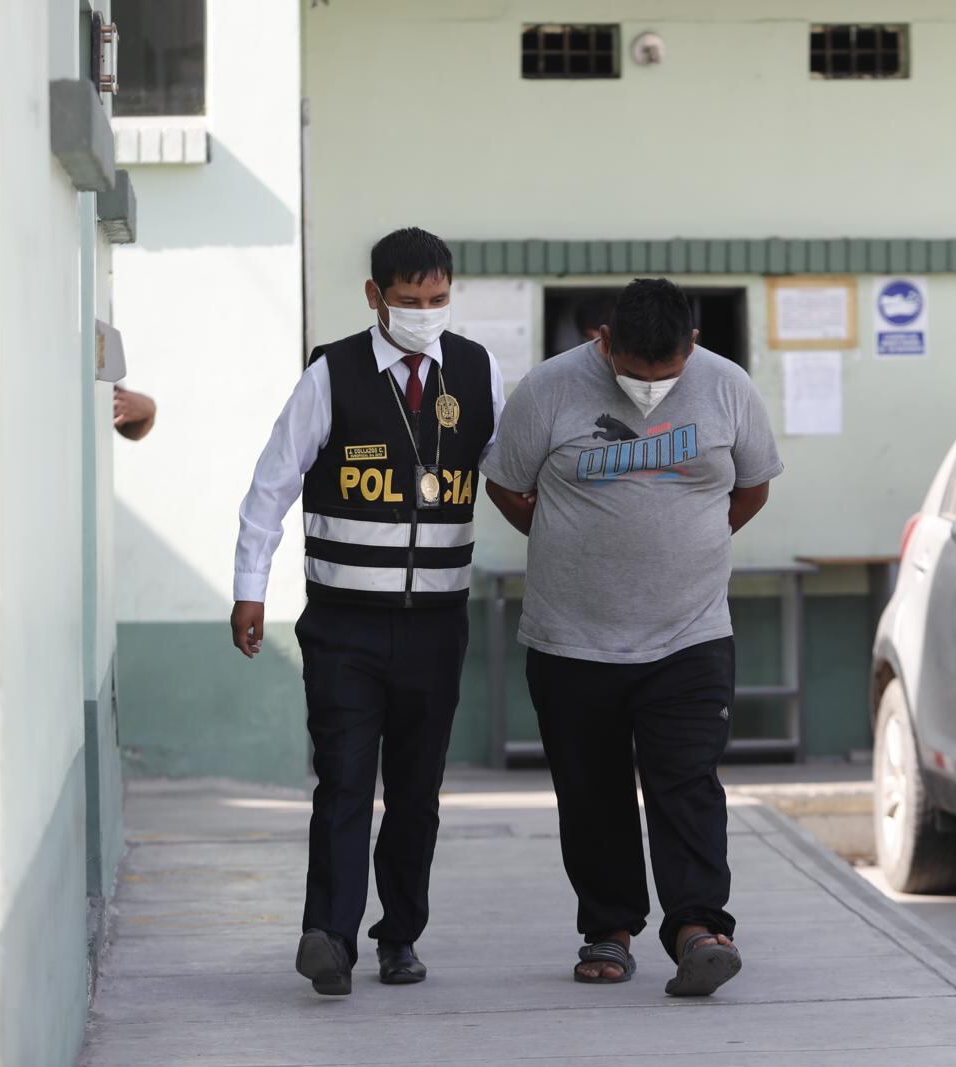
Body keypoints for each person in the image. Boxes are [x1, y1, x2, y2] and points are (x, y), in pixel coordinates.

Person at [481, 278, 782, 997]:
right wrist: (564, 543)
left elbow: (753, 484)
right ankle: (609, 931)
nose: (651, 387)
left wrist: (696, 545)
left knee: (687, 785)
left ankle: (698, 929)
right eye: (635, 372)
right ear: (603, 340)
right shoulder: (548, 390)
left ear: (693, 345)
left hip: (690, 633)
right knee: (593, 793)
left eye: (667, 371)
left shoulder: (727, 387)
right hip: (570, 636)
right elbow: (506, 483)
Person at [230, 227, 503, 996]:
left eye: (439, 299)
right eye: (410, 300)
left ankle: (399, 935)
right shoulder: (333, 374)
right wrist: (251, 585)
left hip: (435, 625)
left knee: (416, 790)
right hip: (345, 624)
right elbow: (272, 484)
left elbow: (511, 469)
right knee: (346, 780)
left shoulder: (476, 371)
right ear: (374, 296)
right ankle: (329, 936)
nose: (426, 313)